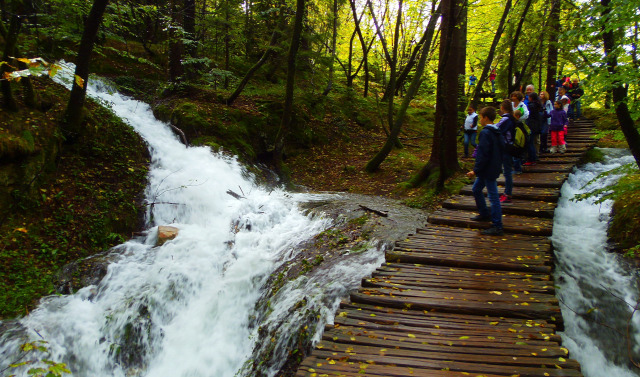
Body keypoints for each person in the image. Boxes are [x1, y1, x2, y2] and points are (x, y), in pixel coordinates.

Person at [468, 106, 505, 236]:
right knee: (476, 189)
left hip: (487, 169)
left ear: (486, 118)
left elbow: (483, 154)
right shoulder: (497, 131)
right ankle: (484, 213)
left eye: (481, 117)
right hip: (492, 167)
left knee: (493, 197)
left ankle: (497, 225)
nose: (480, 120)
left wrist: (475, 170)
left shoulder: (486, 133)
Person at [495, 100, 516, 203]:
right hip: (509, 146)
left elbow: (496, 129)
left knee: (507, 172)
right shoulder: (512, 118)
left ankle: (508, 194)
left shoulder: (506, 119)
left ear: (502, 108)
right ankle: (507, 193)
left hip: (505, 147)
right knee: (507, 171)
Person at [510, 91, 528, 173]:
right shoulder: (511, 105)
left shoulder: (522, 105)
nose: (513, 97)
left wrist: (518, 118)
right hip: (511, 125)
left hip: (519, 125)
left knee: (517, 145)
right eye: (512, 96)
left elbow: (526, 115)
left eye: (515, 96)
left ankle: (518, 167)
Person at [524, 92, 542, 165]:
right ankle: (533, 158)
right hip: (536, 126)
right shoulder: (538, 105)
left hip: (531, 125)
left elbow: (528, 115)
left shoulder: (531, 106)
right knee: (532, 142)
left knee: (530, 143)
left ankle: (531, 159)